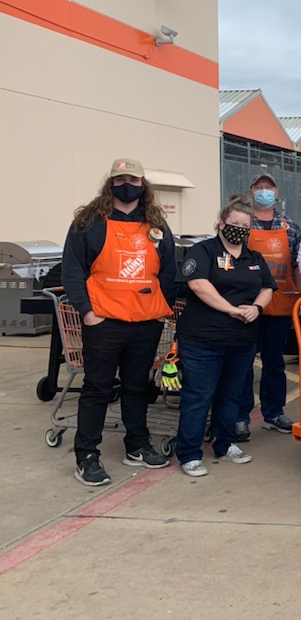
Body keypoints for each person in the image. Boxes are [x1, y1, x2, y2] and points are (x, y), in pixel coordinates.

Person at [62, 158, 177, 486]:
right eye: (121, 178)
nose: (128, 184)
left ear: (144, 185)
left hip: (145, 322)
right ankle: (87, 455)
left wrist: (161, 309)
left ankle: (137, 445)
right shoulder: (88, 222)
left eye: (134, 179)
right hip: (104, 322)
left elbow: (168, 270)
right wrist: (87, 312)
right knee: (97, 388)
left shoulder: (156, 225)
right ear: (110, 183)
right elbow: (72, 270)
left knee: (137, 387)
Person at [174, 195, 276, 477]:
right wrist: (231, 309)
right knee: (198, 396)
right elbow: (198, 285)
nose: (240, 229)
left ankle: (225, 443)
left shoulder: (253, 258)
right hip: (203, 340)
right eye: (234, 224)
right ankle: (189, 453)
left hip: (241, 341)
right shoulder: (203, 251)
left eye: (245, 226)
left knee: (230, 395)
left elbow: (268, 287)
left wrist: (257, 307)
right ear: (221, 224)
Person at [236, 173, 301, 440]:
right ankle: (240, 416)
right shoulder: (241, 223)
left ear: (277, 193)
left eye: (269, 187)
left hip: (281, 304)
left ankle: (274, 413)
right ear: (251, 191)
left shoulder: (291, 226)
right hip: (248, 305)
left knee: (275, 362)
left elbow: (297, 264)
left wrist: (298, 297)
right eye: (259, 187)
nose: (264, 191)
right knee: (243, 363)